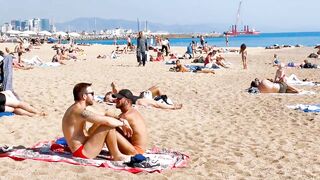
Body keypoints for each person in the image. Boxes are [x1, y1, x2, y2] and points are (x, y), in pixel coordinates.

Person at [62, 83, 133, 160]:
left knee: (103, 122)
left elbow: (103, 114)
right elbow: (107, 122)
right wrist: (123, 124)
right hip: (82, 152)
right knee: (108, 125)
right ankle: (116, 155)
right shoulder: (79, 111)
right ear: (84, 96)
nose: (94, 96)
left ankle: (115, 153)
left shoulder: (78, 107)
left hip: (85, 144)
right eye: (92, 94)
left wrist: (121, 119)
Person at [111, 89, 147, 155]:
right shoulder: (132, 112)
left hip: (136, 151)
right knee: (112, 127)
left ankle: (114, 154)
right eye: (117, 98)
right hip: (136, 148)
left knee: (109, 129)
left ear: (127, 101)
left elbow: (109, 120)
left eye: (119, 98)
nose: (116, 100)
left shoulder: (127, 116)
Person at [104, 83, 182, 110]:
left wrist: (113, 85)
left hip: (140, 97)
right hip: (139, 100)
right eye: (108, 100)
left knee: (156, 88)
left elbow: (114, 85)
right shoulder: (116, 101)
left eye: (108, 98)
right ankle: (172, 106)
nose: (109, 100)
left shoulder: (117, 93)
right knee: (155, 103)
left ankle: (165, 101)